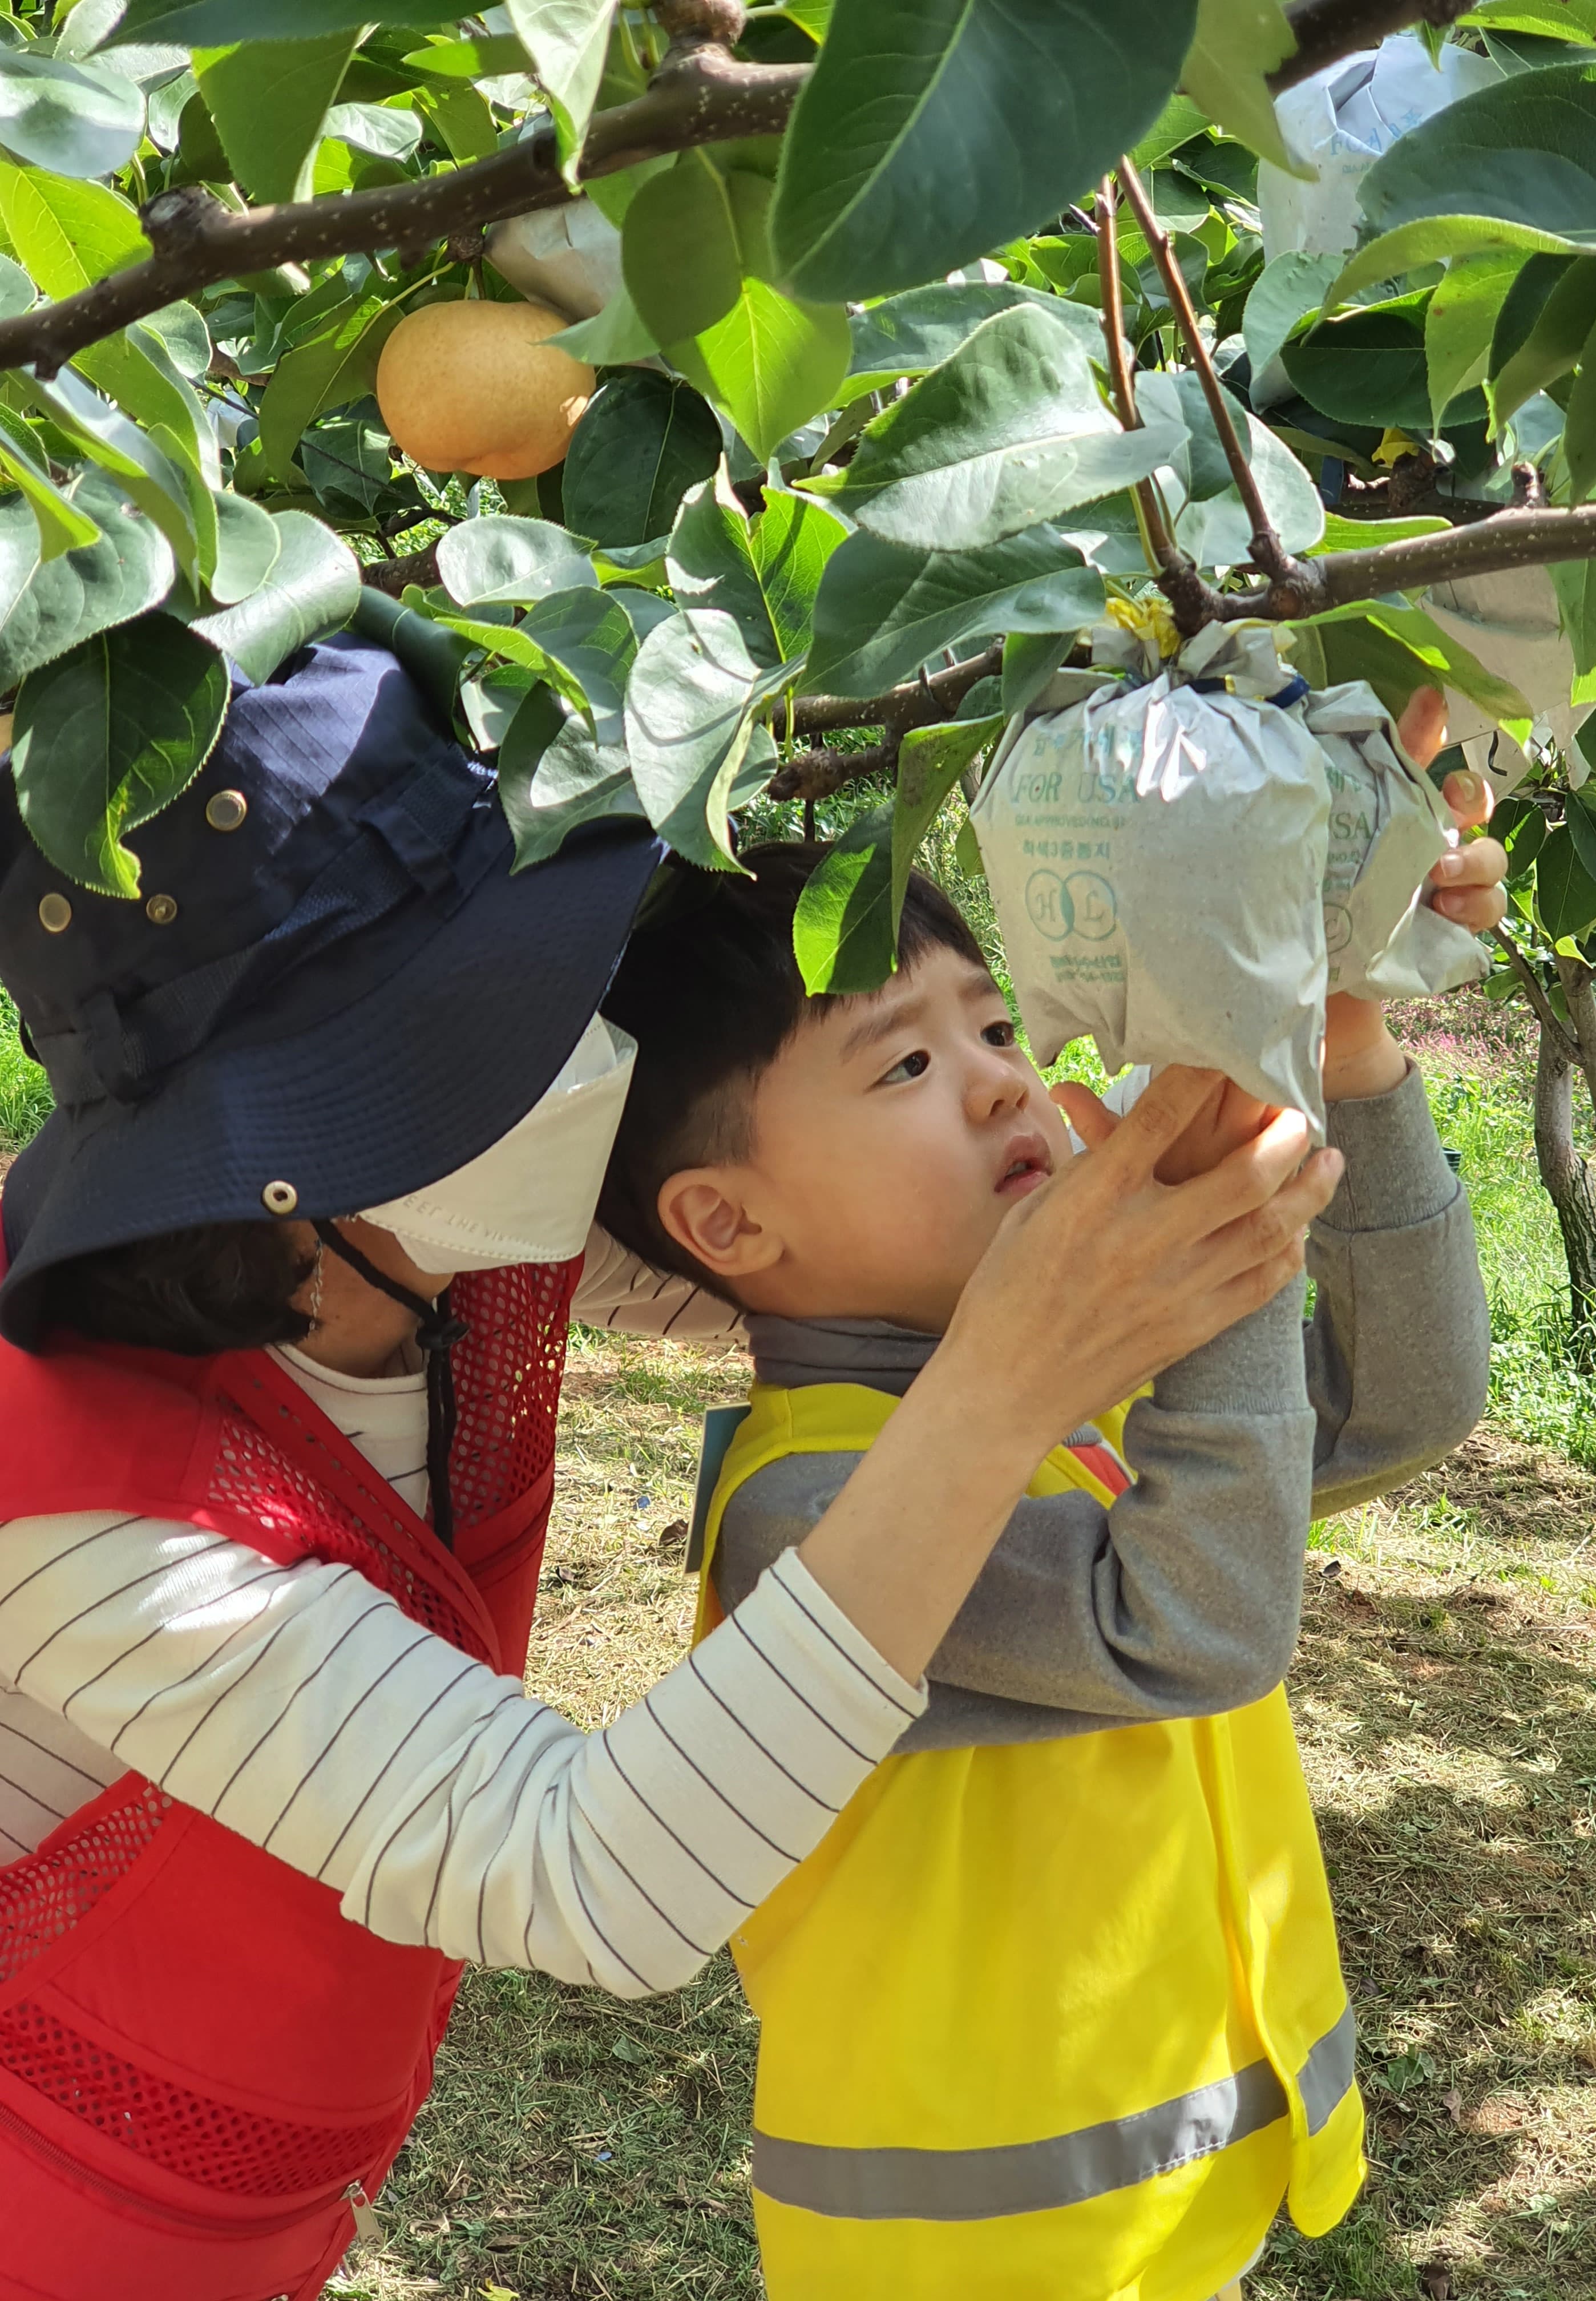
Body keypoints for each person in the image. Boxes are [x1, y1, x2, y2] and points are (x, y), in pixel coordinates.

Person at [0, 635, 1336, 2301]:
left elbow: (807, 1191)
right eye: (488, 1024)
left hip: (261, 2193)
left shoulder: (421, 1252)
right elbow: (589, 1875)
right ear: (289, 1153)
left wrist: (1243, 894)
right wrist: (1014, 1373)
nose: (581, 1055)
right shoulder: (85, 1526)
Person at [594, 714, 1506, 2301]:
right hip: (979, 2256)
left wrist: (1343, 1057)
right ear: (727, 1217)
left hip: (1169, 2211)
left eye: (998, 1024)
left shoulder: (1060, 1399)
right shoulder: (813, 1511)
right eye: (907, 1061)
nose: (1006, 1084)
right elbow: (1189, 1627)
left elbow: (1393, 1406)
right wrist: (1208, 1224)